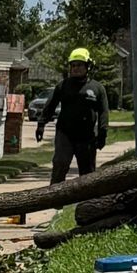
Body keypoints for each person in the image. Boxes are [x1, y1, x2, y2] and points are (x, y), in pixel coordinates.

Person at [35, 47, 109, 185]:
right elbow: (50, 106)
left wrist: (103, 133)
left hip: (87, 137)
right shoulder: (63, 86)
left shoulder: (97, 88)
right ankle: (56, 201)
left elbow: (104, 112)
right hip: (65, 134)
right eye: (73, 65)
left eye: (79, 65)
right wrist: (41, 125)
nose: (75, 68)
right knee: (60, 165)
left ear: (88, 66)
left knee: (87, 174)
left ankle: (87, 203)